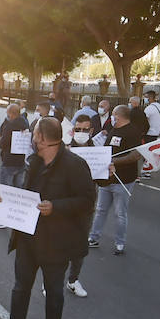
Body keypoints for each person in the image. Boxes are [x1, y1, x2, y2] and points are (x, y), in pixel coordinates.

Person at [3, 117, 97, 319]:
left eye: (35, 135)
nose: (32, 139)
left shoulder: (74, 165)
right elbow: (27, 195)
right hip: (28, 239)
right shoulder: (33, 162)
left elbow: (87, 201)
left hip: (57, 243)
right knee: (20, 288)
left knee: (54, 293)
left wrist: (56, 207)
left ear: (41, 138)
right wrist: (9, 200)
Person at [89, 103, 144, 255]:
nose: (111, 117)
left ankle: (120, 242)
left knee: (120, 213)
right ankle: (94, 237)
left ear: (118, 116)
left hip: (123, 180)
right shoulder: (114, 130)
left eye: (113, 115)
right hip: (106, 178)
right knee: (100, 209)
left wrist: (114, 162)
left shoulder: (133, 132)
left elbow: (135, 155)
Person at [64, 113, 98, 298]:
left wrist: (109, 171)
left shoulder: (98, 151)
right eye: (78, 129)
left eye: (85, 130)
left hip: (86, 207)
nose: (81, 132)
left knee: (79, 246)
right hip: (66, 205)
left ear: (91, 131)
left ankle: (73, 280)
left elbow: (104, 182)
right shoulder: (65, 148)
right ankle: (51, 280)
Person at [0, 103, 31, 228]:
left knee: (5, 192)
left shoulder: (10, 125)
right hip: (21, 162)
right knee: (18, 192)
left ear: (11, 113)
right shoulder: (25, 122)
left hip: (9, 162)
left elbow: (3, 143)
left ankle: (1, 221)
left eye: (8, 113)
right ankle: (17, 217)